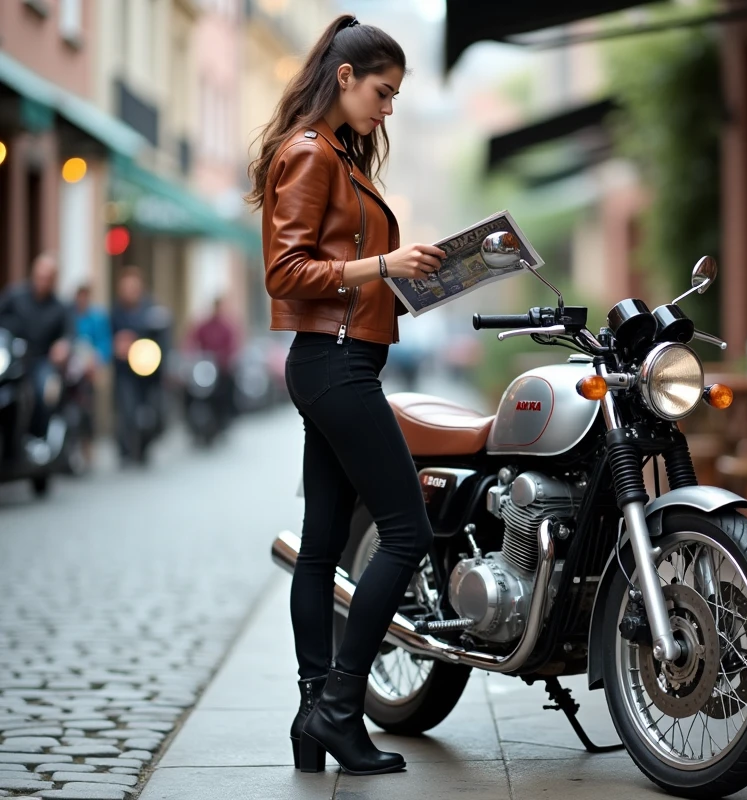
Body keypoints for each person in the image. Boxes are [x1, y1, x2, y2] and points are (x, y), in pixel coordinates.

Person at [245, 14, 445, 777]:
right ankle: (338, 707)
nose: (387, 110)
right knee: (407, 533)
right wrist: (385, 266)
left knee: (323, 544)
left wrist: (411, 276)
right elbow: (285, 271)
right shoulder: (309, 153)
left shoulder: (334, 154)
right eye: (382, 93)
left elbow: (338, 267)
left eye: (396, 97)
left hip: (338, 358)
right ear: (345, 78)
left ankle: (312, 719)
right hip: (335, 364)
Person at [0, 253, 73, 438]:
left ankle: (36, 437)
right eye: (40, 276)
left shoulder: (60, 308)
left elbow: (68, 335)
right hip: (12, 359)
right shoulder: (14, 296)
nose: (42, 281)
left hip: (41, 360)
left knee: (43, 392)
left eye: (48, 278)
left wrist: (63, 346)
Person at [110, 267, 170, 464]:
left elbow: (163, 335)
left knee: (155, 408)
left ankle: (145, 446)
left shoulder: (151, 309)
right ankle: (126, 449)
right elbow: (108, 338)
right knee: (126, 409)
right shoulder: (116, 313)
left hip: (150, 371)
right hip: (125, 370)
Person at [71, 283, 112, 466]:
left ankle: (87, 445)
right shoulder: (69, 316)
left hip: (88, 373)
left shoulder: (97, 318)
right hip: (70, 373)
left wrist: (96, 360)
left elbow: (104, 343)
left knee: (88, 410)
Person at [186, 296, 240, 424]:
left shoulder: (227, 327)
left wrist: (224, 358)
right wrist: (191, 355)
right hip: (205, 366)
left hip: (221, 368)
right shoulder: (204, 326)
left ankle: (229, 413)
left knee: (228, 384)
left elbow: (232, 346)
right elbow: (191, 341)